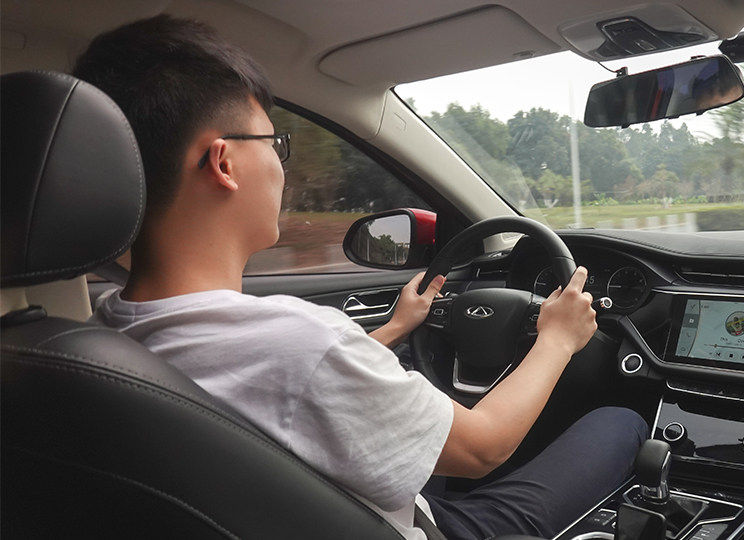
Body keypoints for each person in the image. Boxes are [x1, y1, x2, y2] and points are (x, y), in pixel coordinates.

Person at [77, 14, 648, 540]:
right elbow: (482, 449)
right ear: (224, 163)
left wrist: (395, 329)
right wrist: (558, 337)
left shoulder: (100, 332)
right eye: (274, 142)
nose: (280, 164)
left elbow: (279, 385)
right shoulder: (300, 340)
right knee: (620, 421)